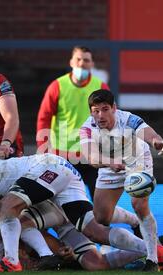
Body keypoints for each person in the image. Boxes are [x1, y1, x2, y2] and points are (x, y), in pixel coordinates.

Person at [0, 155, 152, 272]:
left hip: (50, 169)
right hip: (60, 187)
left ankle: (13, 261)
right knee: (94, 254)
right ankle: (153, 250)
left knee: (8, 211)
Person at [80, 89, 163, 271]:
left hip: (136, 162)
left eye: (105, 109)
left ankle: (152, 258)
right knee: (101, 216)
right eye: (96, 111)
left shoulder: (127, 119)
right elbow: (92, 158)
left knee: (139, 204)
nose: (100, 115)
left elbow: (146, 131)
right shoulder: (87, 128)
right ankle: (134, 222)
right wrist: (110, 163)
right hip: (109, 165)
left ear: (114, 108)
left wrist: (156, 141)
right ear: (91, 112)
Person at [36, 46, 109, 199]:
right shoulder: (57, 86)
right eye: (78, 59)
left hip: (91, 155)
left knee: (100, 200)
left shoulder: (100, 87)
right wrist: (43, 147)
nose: (82, 63)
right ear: (71, 62)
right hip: (62, 155)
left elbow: (110, 119)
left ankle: (102, 223)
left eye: (86, 60)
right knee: (59, 200)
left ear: (91, 64)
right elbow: (44, 118)